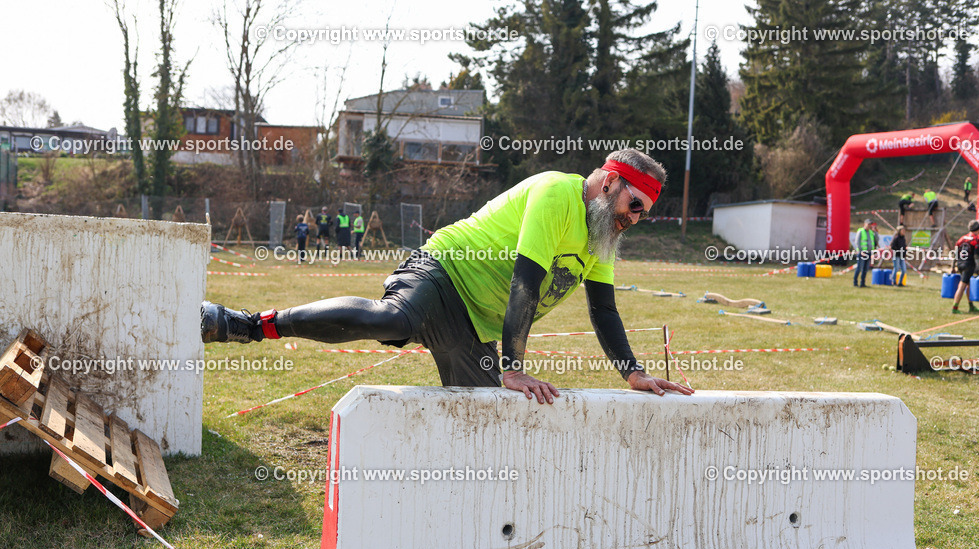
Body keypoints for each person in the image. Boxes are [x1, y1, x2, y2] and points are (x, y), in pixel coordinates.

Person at [200, 149, 691, 403]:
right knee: (390, 322)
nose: (634, 218)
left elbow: (603, 308)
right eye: (633, 205)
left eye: (643, 213)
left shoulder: (599, 233)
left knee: (479, 425)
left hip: (475, 328)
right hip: (444, 275)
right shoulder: (555, 195)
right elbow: (525, 280)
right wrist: (513, 366)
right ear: (610, 182)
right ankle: (246, 324)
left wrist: (634, 372)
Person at [951, 220, 979, 314]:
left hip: (960, 264)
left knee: (968, 284)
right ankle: (955, 308)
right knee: (962, 285)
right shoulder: (977, 240)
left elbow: (955, 253)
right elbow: (977, 256)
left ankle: (971, 306)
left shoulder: (961, 239)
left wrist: (953, 266)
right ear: (978, 229)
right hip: (968, 264)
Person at [853, 219, 878, 287]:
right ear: (865, 224)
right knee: (859, 268)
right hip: (862, 252)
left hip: (869, 252)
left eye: (870, 224)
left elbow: (876, 240)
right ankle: (855, 282)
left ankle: (862, 283)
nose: (869, 226)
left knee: (865, 269)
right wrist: (860, 251)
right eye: (868, 224)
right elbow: (857, 242)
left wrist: (875, 232)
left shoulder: (871, 232)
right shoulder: (860, 231)